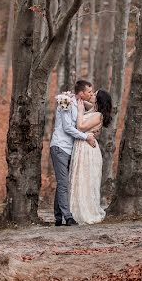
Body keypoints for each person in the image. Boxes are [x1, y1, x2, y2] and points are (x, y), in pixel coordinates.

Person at [50, 80, 97, 226]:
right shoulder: (66, 102)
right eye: (89, 91)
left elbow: (95, 106)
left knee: (63, 184)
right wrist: (86, 137)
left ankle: (58, 217)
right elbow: (67, 128)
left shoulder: (79, 104)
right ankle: (68, 217)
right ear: (81, 93)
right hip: (60, 147)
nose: (91, 94)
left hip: (71, 149)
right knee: (63, 183)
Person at [69, 89, 113, 224]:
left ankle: (85, 212)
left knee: (85, 179)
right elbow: (84, 103)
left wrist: (81, 112)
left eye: (94, 94)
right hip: (82, 147)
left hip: (88, 150)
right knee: (78, 178)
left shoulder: (98, 115)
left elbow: (81, 127)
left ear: (98, 100)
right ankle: (73, 211)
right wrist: (72, 97)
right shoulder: (94, 110)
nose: (91, 95)